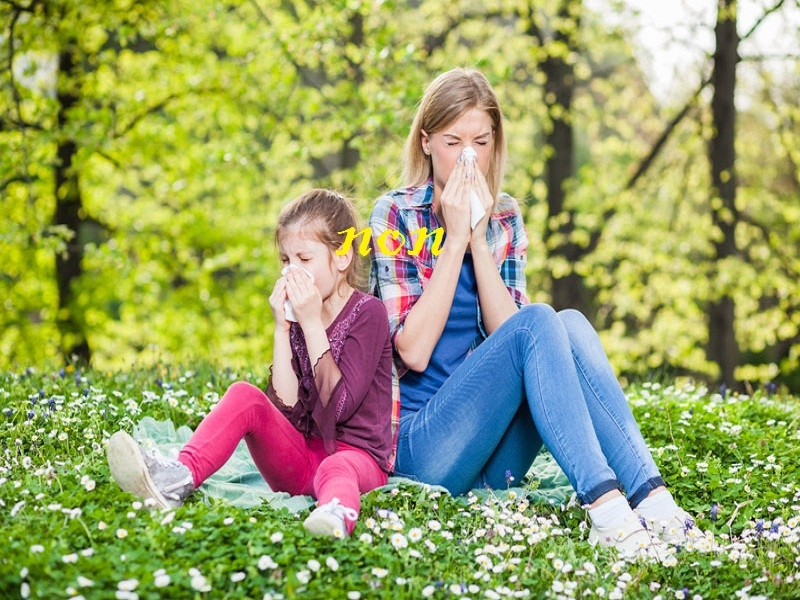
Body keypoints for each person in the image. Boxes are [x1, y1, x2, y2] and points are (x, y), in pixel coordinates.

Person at [368, 68, 694, 560]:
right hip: (422, 450)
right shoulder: (395, 215)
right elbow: (410, 352)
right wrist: (454, 237)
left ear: (495, 143)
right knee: (543, 319)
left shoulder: (504, 217)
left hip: (493, 454)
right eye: (454, 142)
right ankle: (605, 510)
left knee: (567, 325)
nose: (467, 157)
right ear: (427, 142)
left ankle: (653, 500)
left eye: (481, 140)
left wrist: (477, 235)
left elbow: (519, 338)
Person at [108, 188, 395, 538]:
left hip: (357, 461)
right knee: (245, 394)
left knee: (337, 467)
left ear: (341, 258)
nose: (292, 272)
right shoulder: (301, 315)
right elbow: (285, 411)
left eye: (304, 259)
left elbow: (338, 408)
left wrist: (309, 322)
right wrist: (282, 328)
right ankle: (177, 478)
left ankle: (334, 515)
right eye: (285, 261)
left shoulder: (369, 313)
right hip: (302, 462)